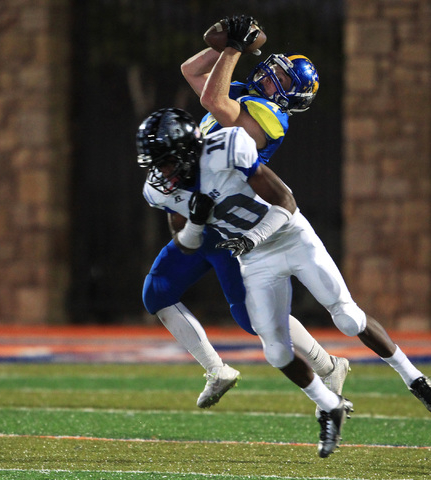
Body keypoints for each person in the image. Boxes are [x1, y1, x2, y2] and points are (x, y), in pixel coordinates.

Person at [136, 107, 431, 458]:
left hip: (290, 237)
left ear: (185, 153)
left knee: (348, 317)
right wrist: (196, 223)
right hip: (254, 259)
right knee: (275, 350)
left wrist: (253, 238)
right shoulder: (163, 190)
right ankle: (328, 405)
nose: (160, 172)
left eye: (164, 162)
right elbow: (186, 243)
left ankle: (415, 379)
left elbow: (285, 201)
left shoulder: (227, 148)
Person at [142, 14, 349, 409]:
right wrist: (226, 43)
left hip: (229, 225)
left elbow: (212, 102)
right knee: (157, 294)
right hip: (197, 208)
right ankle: (216, 370)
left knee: (251, 319)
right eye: (277, 71)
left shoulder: (273, 118)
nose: (273, 77)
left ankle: (328, 366)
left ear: (292, 97)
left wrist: (235, 47)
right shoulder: (242, 91)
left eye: (284, 82)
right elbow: (191, 69)